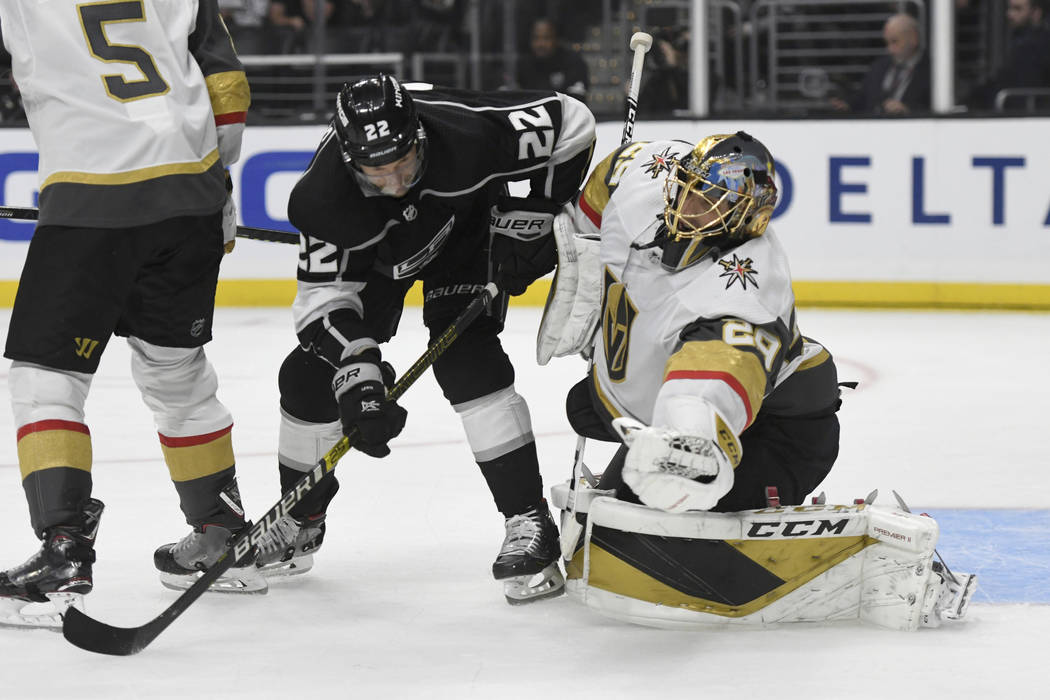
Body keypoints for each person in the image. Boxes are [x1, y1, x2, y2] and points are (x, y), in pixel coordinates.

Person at [254, 74, 596, 605]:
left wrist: (536, 214)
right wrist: (359, 370)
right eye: (375, 171)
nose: (393, 181)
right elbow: (321, 306)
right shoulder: (323, 200)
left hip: (466, 230)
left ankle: (529, 521)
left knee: (466, 360)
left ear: (420, 138)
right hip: (381, 256)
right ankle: (300, 520)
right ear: (348, 160)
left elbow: (572, 122)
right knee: (306, 378)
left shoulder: (472, 135)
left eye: (403, 162)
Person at [0, 0, 260, 629]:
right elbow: (228, 86)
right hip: (192, 197)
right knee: (176, 372)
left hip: (92, 196)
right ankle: (222, 533)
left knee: (45, 378)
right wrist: (218, 185)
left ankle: (64, 552)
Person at [541, 131, 842, 517]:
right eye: (691, 187)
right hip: (702, 378)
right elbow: (613, 174)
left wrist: (689, 445)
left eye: (713, 200)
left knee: (650, 529)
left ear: (746, 218)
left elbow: (711, 380)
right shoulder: (653, 177)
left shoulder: (745, 291)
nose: (690, 204)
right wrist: (572, 238)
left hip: (777, 428)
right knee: (598, 451)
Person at [831, 13, 930, 115]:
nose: (890, 49)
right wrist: (846, 105)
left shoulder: (932, 71)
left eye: (895, 42)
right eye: (887, 43)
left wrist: (908, 111)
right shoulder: (879, 66)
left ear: (914, 38)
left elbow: (934, 108)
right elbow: (862, 98)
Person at [967, 0, 1050, 110]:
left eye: (1017, 9)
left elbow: (1019, 87)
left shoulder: (1034, 47)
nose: (1009, 14)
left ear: (1036, 13)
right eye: (1009, 8)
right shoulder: (1019, 43)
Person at [517, 18, 589, 102]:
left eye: (546, 38)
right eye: (536, 38)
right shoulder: (523, 64)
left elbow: (576, 102)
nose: (541, 44)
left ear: (556, 40)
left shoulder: (574, 63)